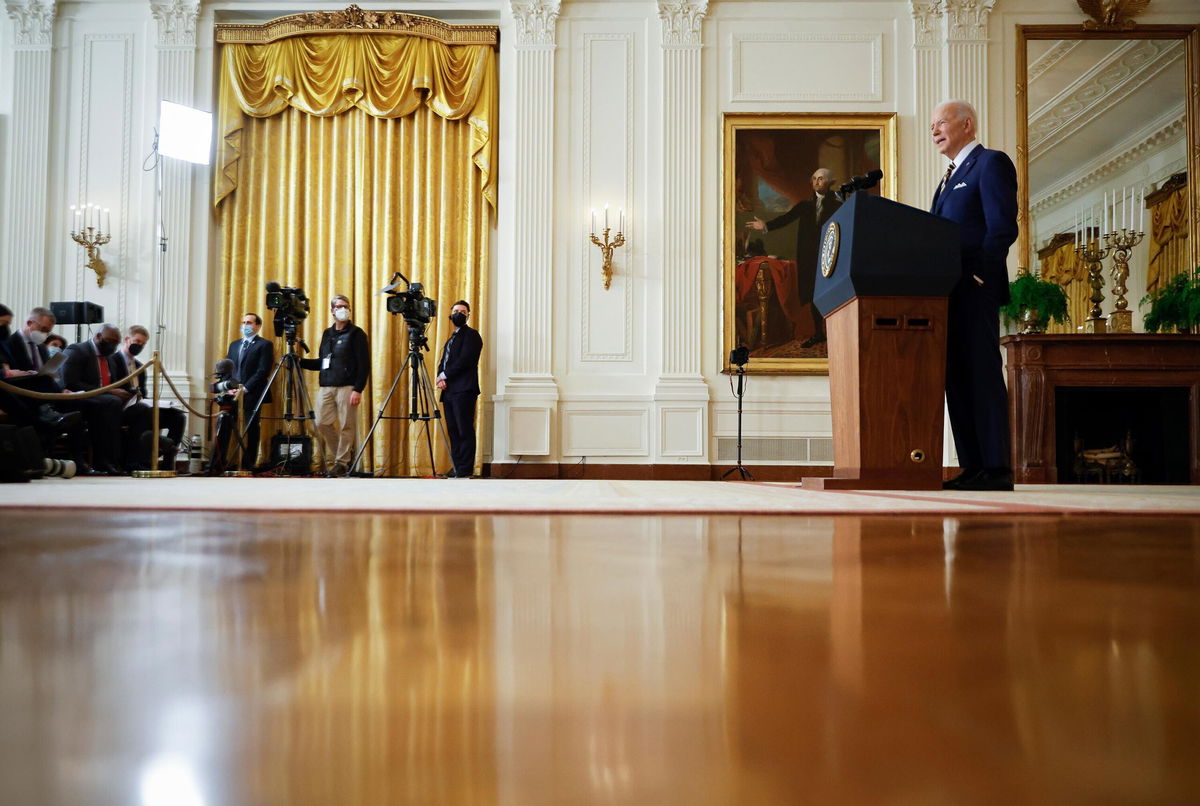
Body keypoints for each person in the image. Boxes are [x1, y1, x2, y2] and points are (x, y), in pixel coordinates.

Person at [929, 99, 1018, 492]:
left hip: (975, 289)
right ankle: (973, 466)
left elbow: (1002, 227)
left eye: (941, 123)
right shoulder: (947, 179)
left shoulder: (990, 163)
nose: (934, 130)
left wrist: (982, 274)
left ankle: (996, 467)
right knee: (956, 379)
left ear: (966, 124)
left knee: (981, 376)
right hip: (947, 292)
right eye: (932, 125)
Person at [746, 167, 842, 348]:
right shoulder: (804, 206)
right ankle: (819, 333)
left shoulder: (838, 206)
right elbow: (786, 218)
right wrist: (765, 225)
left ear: (830, 183)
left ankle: (836, 333)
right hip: (808, 257)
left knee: (831, 293)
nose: (816, 182)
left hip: (830, 257)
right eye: (814, 179)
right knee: (813, 295)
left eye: (821, 179)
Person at [300, 295, 369, 476]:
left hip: (348, 386)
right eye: (339, 306)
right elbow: (323, 361)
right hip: (326, 385)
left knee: (347, 425)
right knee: (321, 422)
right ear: (332, 310)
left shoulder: (357, 333)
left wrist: (358, 389)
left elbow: (364, 364)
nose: (343, 309)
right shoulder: (327, 334)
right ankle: (343, 454)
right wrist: (300, 362)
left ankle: (341, 462)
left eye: (346, 306)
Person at [110, 325, 186, 470]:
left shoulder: (140, 366)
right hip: (120, 408)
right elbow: (109, 386)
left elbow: (143, 393)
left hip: (140, 406)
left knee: (178, 416)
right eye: (137, 341)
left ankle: (168, 460)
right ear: (127, 339)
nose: (139, 346)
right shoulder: (112, 360)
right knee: (144, 411)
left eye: (143, 344)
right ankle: (137, 462)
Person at [59, 323, 126, 474]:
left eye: (116, 342)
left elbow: (113, 382)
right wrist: (108, 391)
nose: (113, 346)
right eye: (110, 341)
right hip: (77, 398)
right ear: (98, 336)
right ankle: (102, 461)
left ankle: (119, 461)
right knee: (111, 403)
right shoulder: (77, 351)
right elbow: (70, 382)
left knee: (136, 408)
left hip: (104, 400)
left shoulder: (109, 358)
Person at [436, 300, 482, 479]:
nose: (459, 313)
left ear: (468, 315)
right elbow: (444, 362)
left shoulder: (472, 335)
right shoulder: (450, 339)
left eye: (463, 311)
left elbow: (465, 361)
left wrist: (444, 375)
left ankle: (465, 468)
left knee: (464, 429)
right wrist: (441, 375)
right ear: (450, 314)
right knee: (453, 430)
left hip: (464, 390)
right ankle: (456, 466)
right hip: (449, 391)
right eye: (456, 310)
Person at [224, 313, 274, 470]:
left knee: (251, 427)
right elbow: (227, 368)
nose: (245, 325)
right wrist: (226, 387)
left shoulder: (265, 345)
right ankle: (221, 461)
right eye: (243, 322)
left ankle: (248, 463)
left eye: (249, 322)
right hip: (231, 393)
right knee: (225, 425)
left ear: (257, 326)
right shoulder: (234, 345)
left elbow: (263, 371)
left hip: (252, 393)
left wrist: (245, 389)